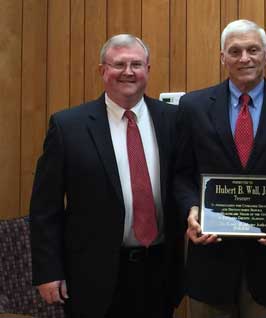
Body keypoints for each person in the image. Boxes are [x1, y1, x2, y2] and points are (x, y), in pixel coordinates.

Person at [174, 19, 266, 317]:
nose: (245, 58)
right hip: (210, 264)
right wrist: (191, 208)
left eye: (253, 49)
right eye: (235, 51)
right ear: (222, 57)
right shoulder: (193, 107)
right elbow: (180, 174)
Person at [29, 34, 183, 317]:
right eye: (119, 64)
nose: (128, 72)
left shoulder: (173, 120)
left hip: (159, 271)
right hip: (92, 275)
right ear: (102, 71)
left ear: (148, 70)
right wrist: (48, 271)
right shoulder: (68, 127)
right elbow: (44, 208)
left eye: (136, 64)